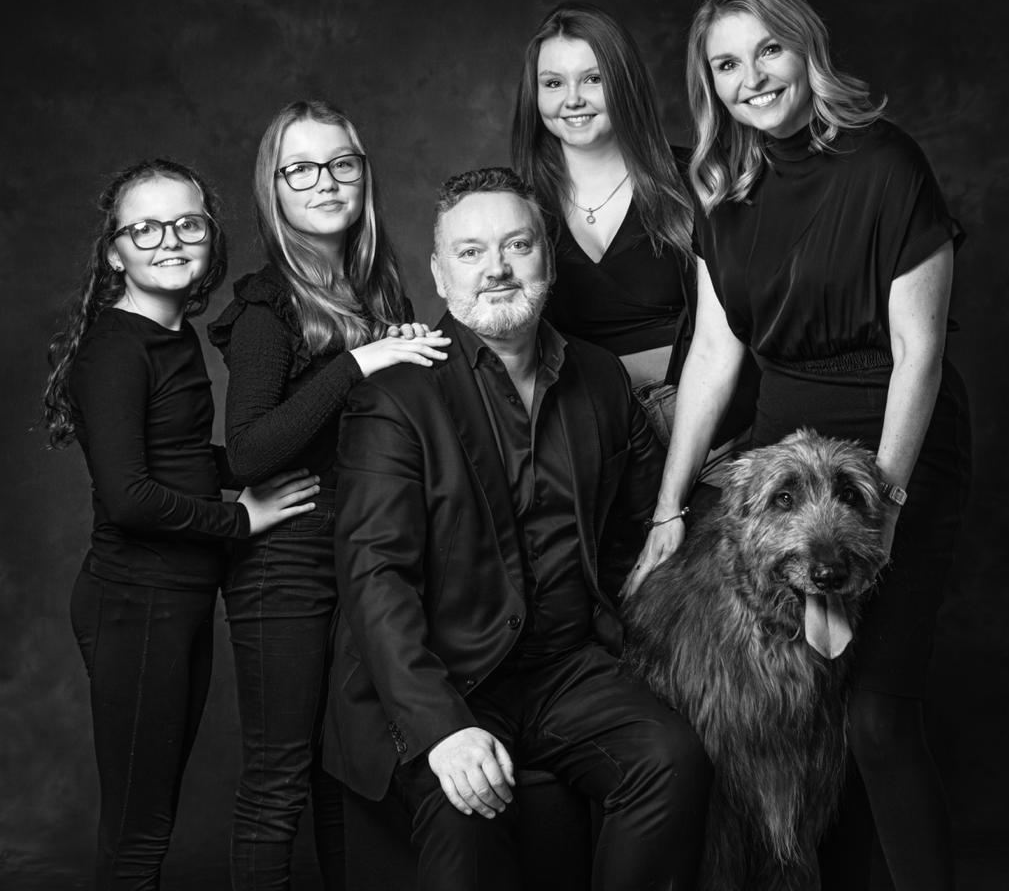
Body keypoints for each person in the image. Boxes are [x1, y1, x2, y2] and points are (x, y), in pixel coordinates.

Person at [624, 0, 971, 891]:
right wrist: (669, 509)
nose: (752, 78)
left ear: (804, 48)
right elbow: (710, 352)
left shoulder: (887, 163)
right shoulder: (721, 188)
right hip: (781, 459)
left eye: (766, 50)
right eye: (726, 65)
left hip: (896, 442)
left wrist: (886, 501)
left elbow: (920, 349)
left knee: (877, 718)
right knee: (806, 718)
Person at [321, 167, 712, 891]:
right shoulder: (396, 399)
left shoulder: (597, 377)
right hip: (451, 676)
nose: (496, 268)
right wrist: (441, 727)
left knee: (673, 758)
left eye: (517, 245)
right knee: (464, 818)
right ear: (440, 275)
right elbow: (375, 582)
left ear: (547, 260)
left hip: (567, 668)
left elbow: (632, 534)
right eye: (470, 252)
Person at [43, 159, 318, 888]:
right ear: (114, 251)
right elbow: (131, 497)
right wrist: (241, 521)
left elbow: (181, 456)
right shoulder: (115, 349)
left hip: (178, 603)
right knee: (139, 836)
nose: (169, 239)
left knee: (154, 821)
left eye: (187, 223)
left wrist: (268, 457)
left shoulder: (174, 337)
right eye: (145, 227)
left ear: (210, 236)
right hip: (135, 606)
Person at [207, 100, 449, 890]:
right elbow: (247, 450)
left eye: (342, 163)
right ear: (273, 188)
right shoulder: (266, 309)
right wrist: (360, 362)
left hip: (365, 557)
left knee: (344, 772)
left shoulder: (376, 288)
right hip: (286, 561)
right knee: (277, 781)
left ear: (363, 173)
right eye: (300, 169)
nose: (325, 182)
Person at [510, 0, 756, 472]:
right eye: (553, 83)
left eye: (593, 78)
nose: (572, 99)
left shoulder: (695, 178)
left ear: (622, 83)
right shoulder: (518, 203)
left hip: (712, 433)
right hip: (591, 438)